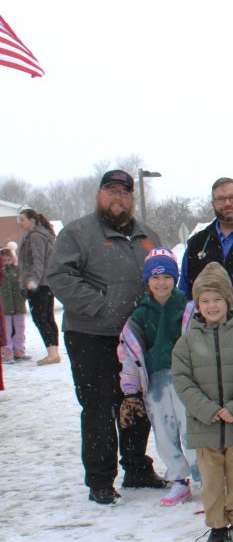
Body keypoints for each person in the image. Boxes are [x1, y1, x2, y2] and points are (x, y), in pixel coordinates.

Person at [47, 169, 165, 505]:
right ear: (100, 195)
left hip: (137, 334)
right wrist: (101, 307)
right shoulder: (78, 233)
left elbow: (162, 274)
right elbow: (60, 276)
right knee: (99, 407)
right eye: (111, 192)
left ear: (131, 198)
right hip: (91, 334)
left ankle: (137, 467)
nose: (118, 198)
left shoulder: (147, 236)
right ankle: (100, 479)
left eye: (124, 193)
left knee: (135, 402)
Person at [171, 262, 233, 542]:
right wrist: (207, 409)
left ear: (228, 301)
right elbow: (182, 380)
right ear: (197, 304)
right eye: (205, 300)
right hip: (205, 425)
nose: (212, 306)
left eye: (218, 299)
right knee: (211, 482)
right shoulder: (186, 343)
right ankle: (217, 527)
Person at [116, 248, 199, 506]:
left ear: (175, 279)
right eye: (155, 277)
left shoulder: (188, 308)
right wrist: (130, 390)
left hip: (186, 378)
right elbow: (128, 352)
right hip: (155, 382)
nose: (161, 283)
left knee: (192, 429)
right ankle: (178, 479)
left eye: (166, 277)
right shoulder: (140, 314)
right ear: (147, 281)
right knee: (164, 431)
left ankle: (205, 475)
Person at [178, 177, 233, 299]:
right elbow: (184, 292)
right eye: (220, 199)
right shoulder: (197, 242)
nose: (227, 203)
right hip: (209, 316)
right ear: (212, 204)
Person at [17, 208, 59, 365]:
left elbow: (38, 260)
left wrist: (33, 280)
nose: (20, 223)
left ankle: (52, 353)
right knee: (47, 317)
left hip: (39, 284)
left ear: (32, 220)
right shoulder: (40, 235)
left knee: (41, 318)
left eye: (22, 220)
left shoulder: (35, 237)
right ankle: (53, 352)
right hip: (46, 283)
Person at [1, 247, 30, 362]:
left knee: (20, 329)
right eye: (4, 260)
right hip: (5, 306)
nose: (7, 263)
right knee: (6, 330)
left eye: (9, 260)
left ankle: (19, 350)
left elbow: (22, 284)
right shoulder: (1, 272)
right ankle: (7, 352)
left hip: (18, 304)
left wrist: (24, 295)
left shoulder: (17, 270)